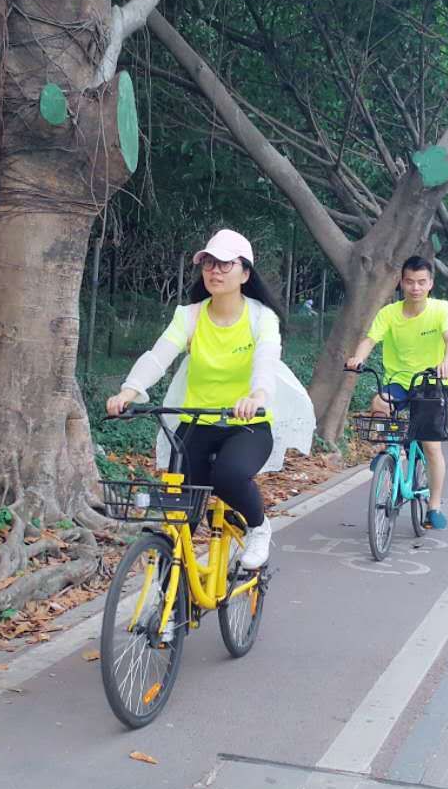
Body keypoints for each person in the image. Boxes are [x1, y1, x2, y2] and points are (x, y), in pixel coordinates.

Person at [106, 229, 304, 569]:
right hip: (197, 423)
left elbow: (266, 361)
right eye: (209, 263)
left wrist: (257, 396)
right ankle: (167, 614)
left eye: (226, 264)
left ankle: (258, 526)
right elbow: (159, 355)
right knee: (178, 520)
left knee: (228, 476)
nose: (215, 271)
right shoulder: (190, 315)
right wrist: (130, 389)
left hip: (247, 425)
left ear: (245, 273)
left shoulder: (261, 318)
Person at [346, 257, 448, 529]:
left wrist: (447, 362)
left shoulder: (441, 309)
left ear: (431, 284)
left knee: (431, 447)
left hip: (432, 384)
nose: (415, 288)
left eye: (422, 282)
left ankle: (433, 506)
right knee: (379, 402)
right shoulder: (389, 313)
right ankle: (387, 451)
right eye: (410, 281)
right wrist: (357, 358)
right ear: (401, 282)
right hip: (398, 381)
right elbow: (370, 339)